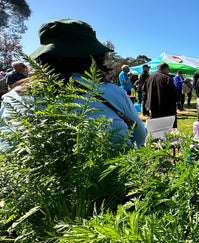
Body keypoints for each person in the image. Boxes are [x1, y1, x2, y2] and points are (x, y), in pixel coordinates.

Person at [0, 19, 146, 147]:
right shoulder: (113, 93)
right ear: (94, 57)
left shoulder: (14, 97)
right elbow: (139, 138)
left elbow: (5, 147)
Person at [144, 62, 178, 127]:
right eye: (168, 69)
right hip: (166, 108)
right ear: (165, 69)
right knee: (168, 129)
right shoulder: (167, 78)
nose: (168, 71)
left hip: (153, 106)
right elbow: (173, 94)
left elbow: (144, 90)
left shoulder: (149, 77)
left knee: (155, 128)